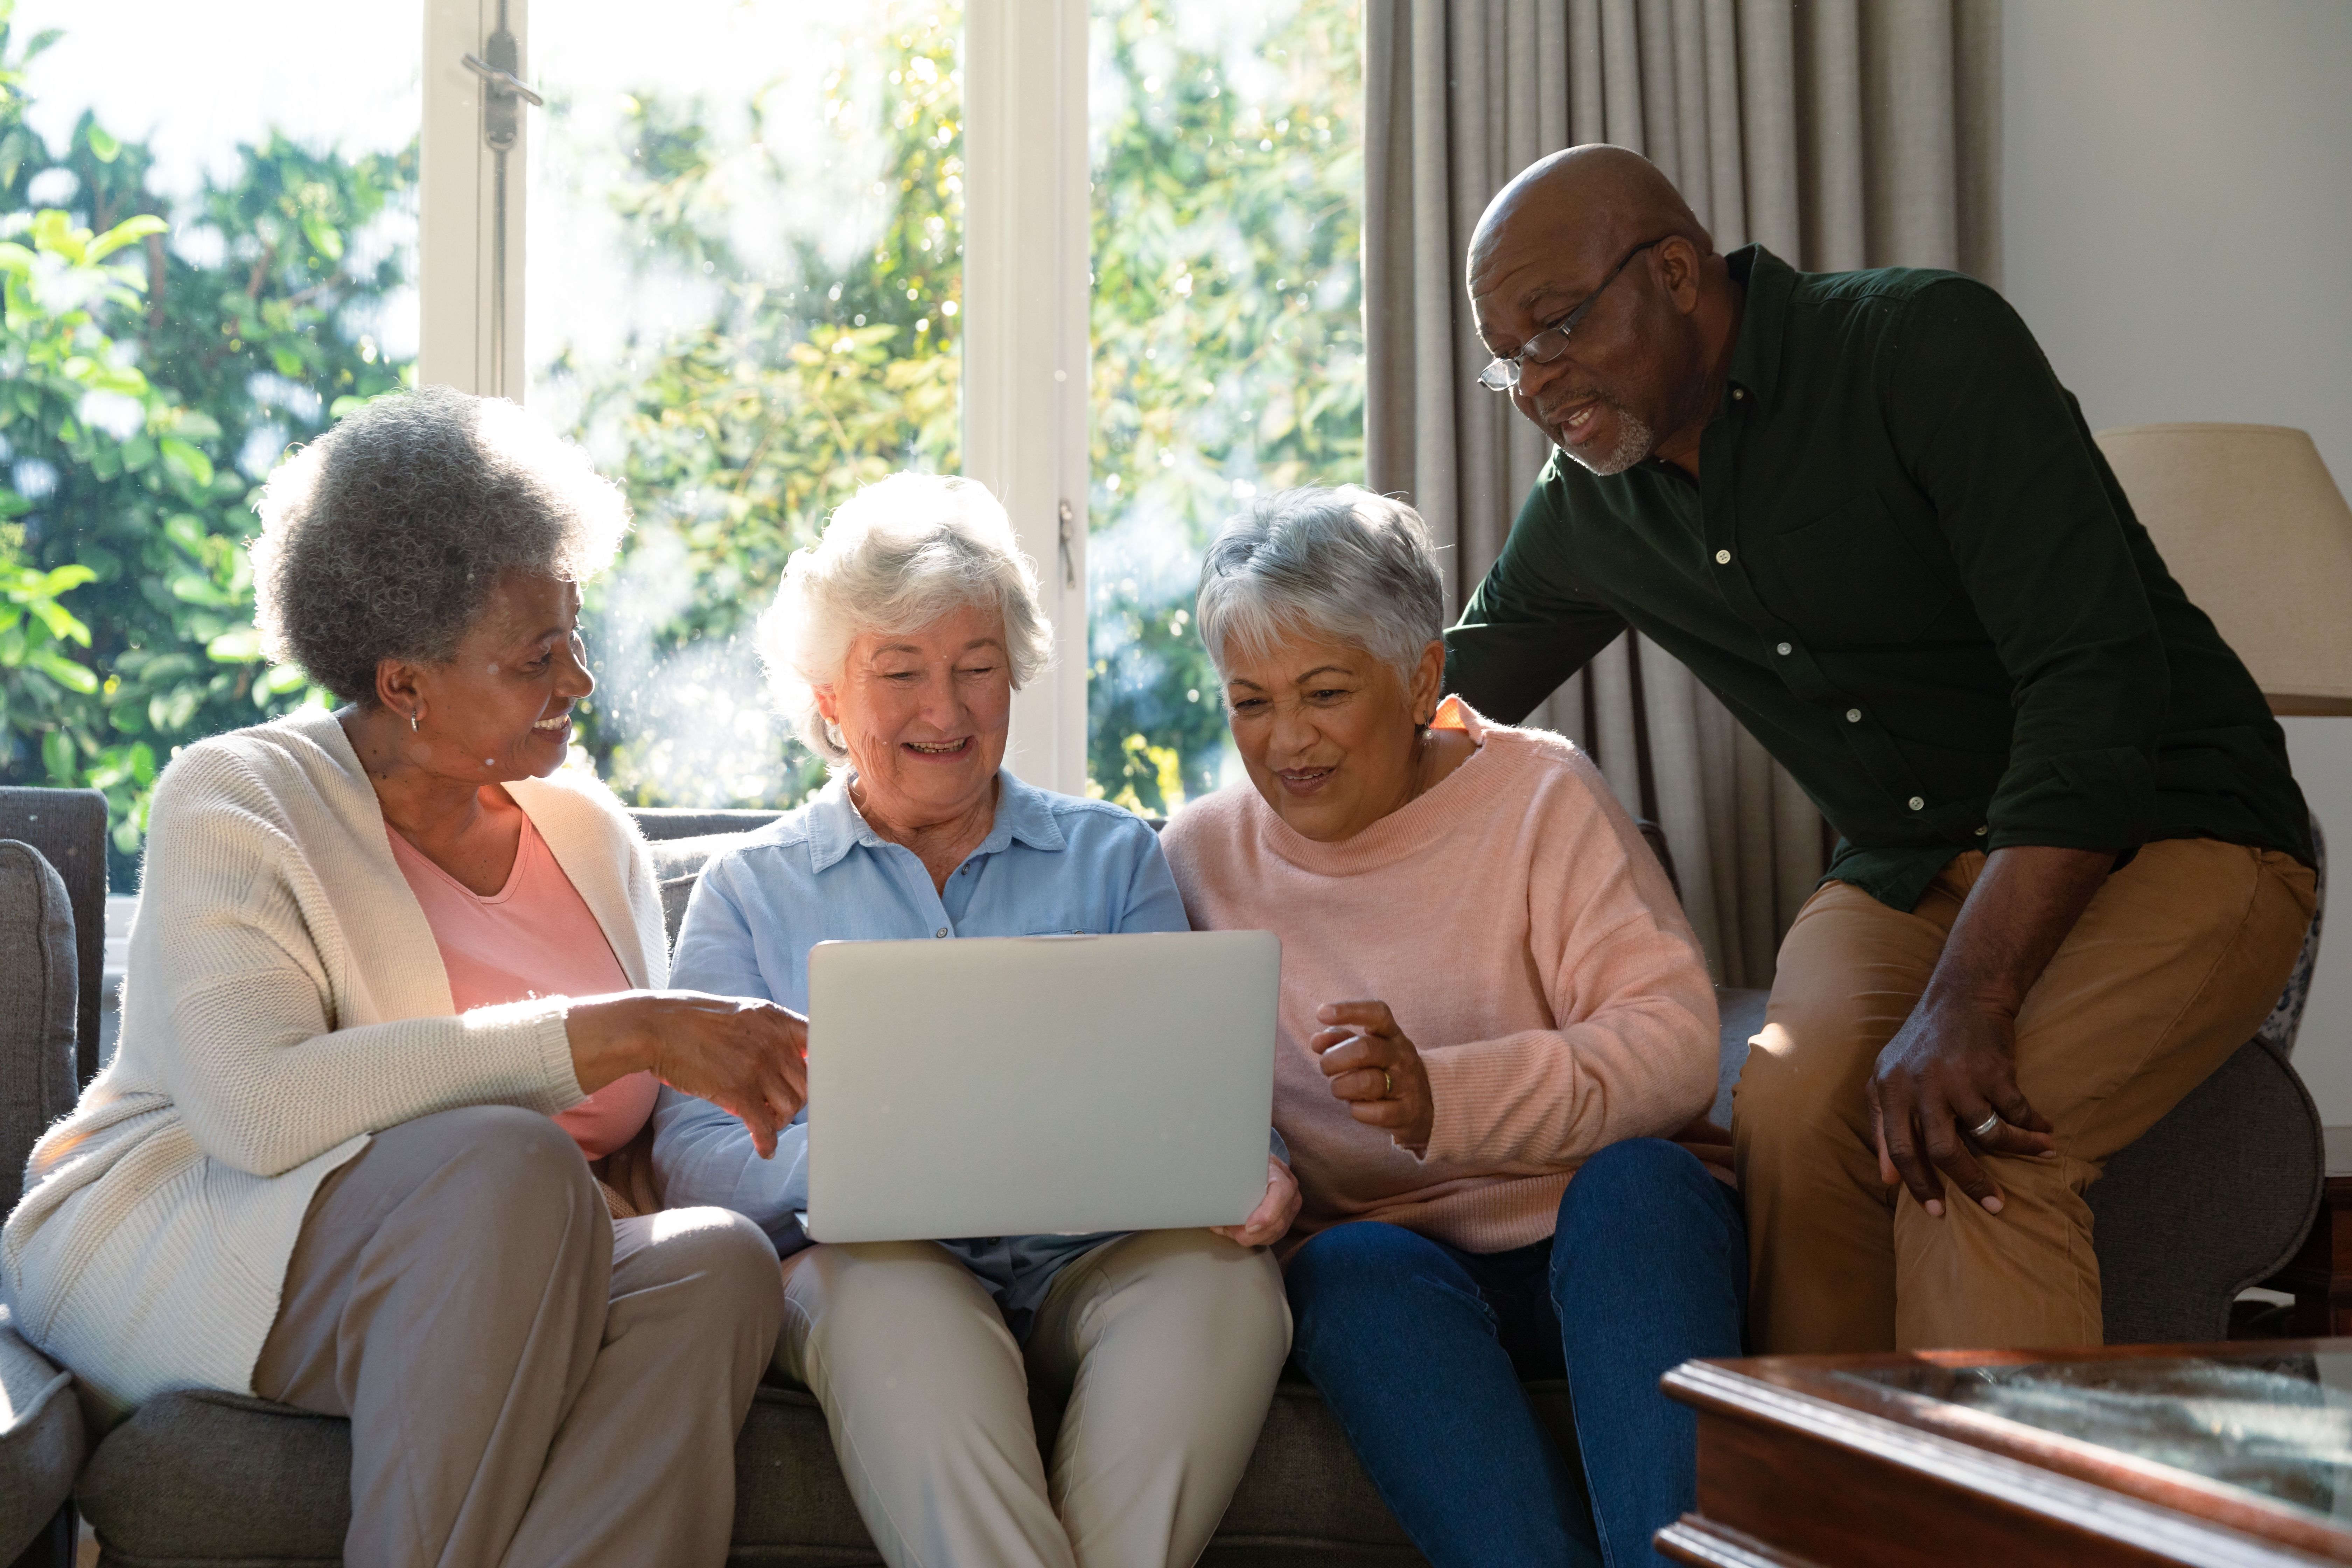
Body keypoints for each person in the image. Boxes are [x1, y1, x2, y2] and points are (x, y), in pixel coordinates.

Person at [1447, 144, 2318, 1354]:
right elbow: (1439, 689)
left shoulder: (1919, 347)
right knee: (1793, 1112)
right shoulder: (1594, 506)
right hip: (1909, 859)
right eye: (1510, 361)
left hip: (2176, 826)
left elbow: (2094, 683)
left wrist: (1974, 997)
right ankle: (1824, 1524)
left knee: (1973, 1141)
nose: (1537, 381)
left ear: (1679, 272)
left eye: (1558, 327)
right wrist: (1202, 822)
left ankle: (1996, 1532)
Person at [0, 389, 808, 1568]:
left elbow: (621, 1147)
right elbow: (259, 1111)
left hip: (508, 1268)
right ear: (405, 683)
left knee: (712, 1264)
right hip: (200, 1237)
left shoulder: (591, 833)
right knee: (507, 1156)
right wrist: (622, 1030)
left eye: (575, 636)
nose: (577, 680)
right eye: (536, 657)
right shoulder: (236, 799)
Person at [652, 472, 1295, 1568]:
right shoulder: (748, 891)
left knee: (1230, 1292)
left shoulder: (1112, 855)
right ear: (827, 701)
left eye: (977, 669)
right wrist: (867, 1163)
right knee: (898, 1320)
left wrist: (1259, 1168)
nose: (944, 712)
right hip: (873, 1262)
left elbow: (1195, 1087)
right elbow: (695, 1160)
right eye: (899, 673)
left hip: (1097, 1257)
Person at [1158, 485, 1738, 1568]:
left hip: (1600, 1234)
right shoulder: (1195, 858)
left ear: (1421, 677)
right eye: (1250, 702)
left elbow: (1676, 1045)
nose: (1287, 742)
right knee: (1347, 1269)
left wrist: (1445, 1096)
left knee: (1642, 1185)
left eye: (1324, 693)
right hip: (1389, 1271)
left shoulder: (1537, 795)